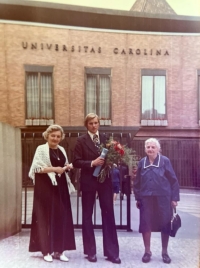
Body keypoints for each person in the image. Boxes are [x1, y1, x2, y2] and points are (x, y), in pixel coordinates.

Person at [73, 113, 121, 264]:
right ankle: (90, 252)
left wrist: (112, 161)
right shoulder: (80, 140)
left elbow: (113, 156)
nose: (94, 126)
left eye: (96, 123)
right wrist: (92, 163)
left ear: (99, 123)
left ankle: (112, 253)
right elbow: (76, 162)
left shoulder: (106, 138)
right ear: (86, 125)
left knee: (108, 214)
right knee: (87, 216)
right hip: (88, 181)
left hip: (104, 181)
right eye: (91, 123)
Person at [28, 124, 76, 262]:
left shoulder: (61, 150)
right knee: (45, 219)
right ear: (47, 136)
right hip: (45, 188)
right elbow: (36, 168)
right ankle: (46, 251)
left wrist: (67, 167)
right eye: (53, 136)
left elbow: (63, 167)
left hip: (60, 188)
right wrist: (55, 169)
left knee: (60, 218)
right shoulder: (41, 149)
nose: (55, 138)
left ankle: (59, 250)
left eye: (58, 136)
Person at [134, 138, 180, 264]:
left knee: (165, 224)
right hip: (146, 198)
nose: (150, 149)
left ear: (158, 149)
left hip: (163, 198)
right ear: (145, 149)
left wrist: (174, 198)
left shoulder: (165, 161)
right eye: (148, 147)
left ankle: (164, 252)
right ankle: (147, 251)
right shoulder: (142, 162)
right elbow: (137, 182)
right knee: (145, 224)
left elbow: (173, 180)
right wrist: (138, 197)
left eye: (153, 147)